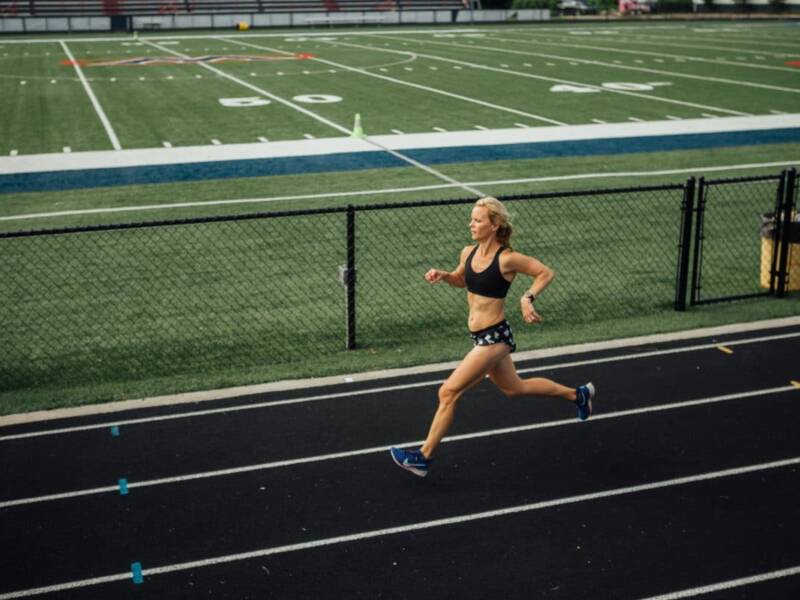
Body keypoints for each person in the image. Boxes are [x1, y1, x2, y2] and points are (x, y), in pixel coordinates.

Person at [390, 197, 594, 478]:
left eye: (477, 220)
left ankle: (423, 457)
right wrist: (444, 275)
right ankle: (578, 395)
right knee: (515, 388)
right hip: (480, 338)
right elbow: (462, 279)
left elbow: (545, 272)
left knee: (448, 392)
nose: (471, 224)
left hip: (494, 338)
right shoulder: (468, 252)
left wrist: (527, 297)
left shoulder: (507, 259)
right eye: (471, 219)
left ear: (494, 224)